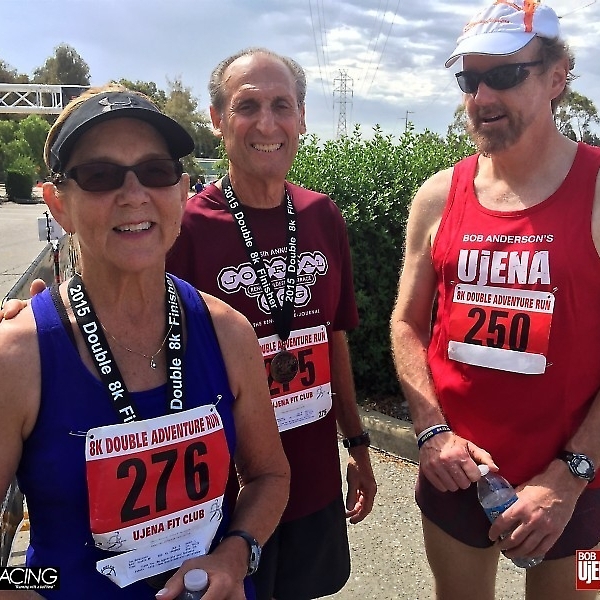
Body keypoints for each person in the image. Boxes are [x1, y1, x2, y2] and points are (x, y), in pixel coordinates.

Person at [0, 84, 289, 599]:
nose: (134, 194)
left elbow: (269, 475)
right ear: (58, 204)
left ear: (181, 192)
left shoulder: (228, 331)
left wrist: (234, 554)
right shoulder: (19, 356)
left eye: (155, 171)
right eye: (100, 176)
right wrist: (47, 588)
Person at [390, 2, 600, 599]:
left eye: (504, 75)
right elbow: (406, 323)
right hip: (456, 473)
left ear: (556, 76)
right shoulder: (438, 195)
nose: (481, 96)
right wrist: (431, 432)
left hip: (583, 489)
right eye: (469, 79)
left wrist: (571, 475)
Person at [166, 48, 377, 600]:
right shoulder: (185, 228)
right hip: (226, 501)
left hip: (312, 481)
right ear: (217, 119)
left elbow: (333, 337)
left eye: (282, 105)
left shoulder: (321, 215)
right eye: (247, 106)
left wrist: (357, 444)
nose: (267, 123)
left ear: (301, 117)